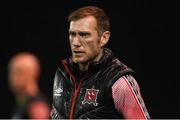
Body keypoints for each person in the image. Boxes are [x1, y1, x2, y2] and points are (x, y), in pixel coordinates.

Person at [51, 6, 150, 119]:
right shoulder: (62, 74)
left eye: (84, 35)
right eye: (72, 34)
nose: (75, 42)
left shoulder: (119, 82)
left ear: (104, 38)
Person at [8, 52, 50, 119]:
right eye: (11, 72)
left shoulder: (37, 106)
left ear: (32, 74)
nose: (12, 77)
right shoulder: (22, 103)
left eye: (18, 72)